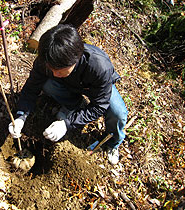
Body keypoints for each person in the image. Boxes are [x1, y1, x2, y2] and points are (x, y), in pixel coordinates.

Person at [8, 24, 128, 165]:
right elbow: (31, 88)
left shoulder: (99, 67)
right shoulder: (46, 60)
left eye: (59, 70)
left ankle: (113, 143)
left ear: (75, 60)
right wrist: (21, 116)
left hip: (93, 87)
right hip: (68, 84)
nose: (54, 73)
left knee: (117, 113)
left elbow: (99, 105)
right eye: (51, 69)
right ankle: (75, 104)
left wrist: (67, 123)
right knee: (47, 84)